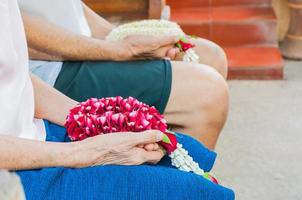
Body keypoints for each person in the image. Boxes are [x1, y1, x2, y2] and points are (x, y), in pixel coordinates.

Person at [0, 0, 234, 199]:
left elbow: (13, 67)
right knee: (195, 192)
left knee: (187, 154)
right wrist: (83, 152)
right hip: (14, 171)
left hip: (31, 130)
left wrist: (93, 117)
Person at [18, 0, 229, 149]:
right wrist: (120, 50)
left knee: (210, 56)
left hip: (76, 44)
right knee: (207, 93)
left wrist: (116, 35)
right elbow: (12, 30)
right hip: (41, 72)